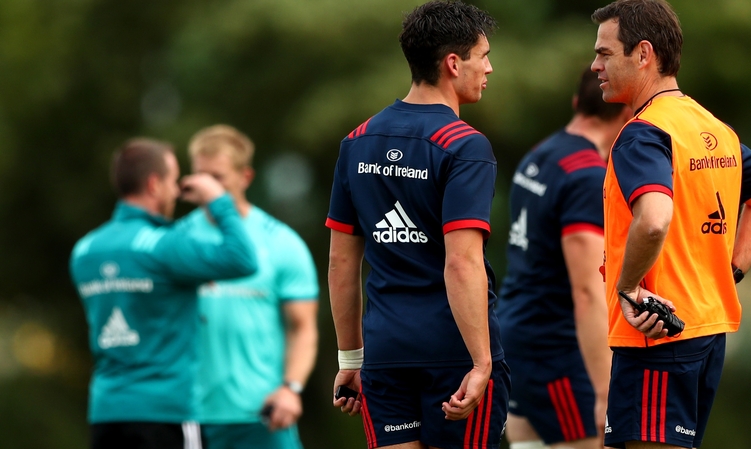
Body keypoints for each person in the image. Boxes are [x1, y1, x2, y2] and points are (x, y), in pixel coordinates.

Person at [590, 1, 751, 448]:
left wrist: (628, 287)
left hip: (656, 338)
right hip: (706, 333)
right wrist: (728, 272)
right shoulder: (711, 127)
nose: (595, 65)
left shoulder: (643, 133)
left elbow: (654, 220)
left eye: (605, 53)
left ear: (643, 54)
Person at [325, 1, 510, 448]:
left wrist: (351, 358)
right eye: (483, 56)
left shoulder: (357, 141)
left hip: (385, 352)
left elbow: (340, 263)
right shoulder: (465, 146)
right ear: (453, 64)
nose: (489, 68)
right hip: (453, 352)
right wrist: (482, 362)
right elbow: (461, 263)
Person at [69, 138, 258, 449]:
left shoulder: (85, 251)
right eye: (173, 182)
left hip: (105, 413)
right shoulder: (164, 246)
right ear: (154, 184)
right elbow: (243, 258)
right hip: (166, 412)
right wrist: (218, 199)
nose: (176, 192)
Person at [497, 66, 631, 449]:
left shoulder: (541, 153)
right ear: (627, 113)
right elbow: (588, 290)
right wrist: (604, 392)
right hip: (557, 351)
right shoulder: (587, 176)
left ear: (576, 102)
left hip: (516, 336)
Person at [179, 125, 319, 449]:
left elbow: (303, 328)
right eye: (201, 176)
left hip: (264, 413)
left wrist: (291, 388)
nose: (207, 188)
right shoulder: (177, 241)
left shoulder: (282, 242)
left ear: (245, 177)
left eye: (217, 178)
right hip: (192, 416)